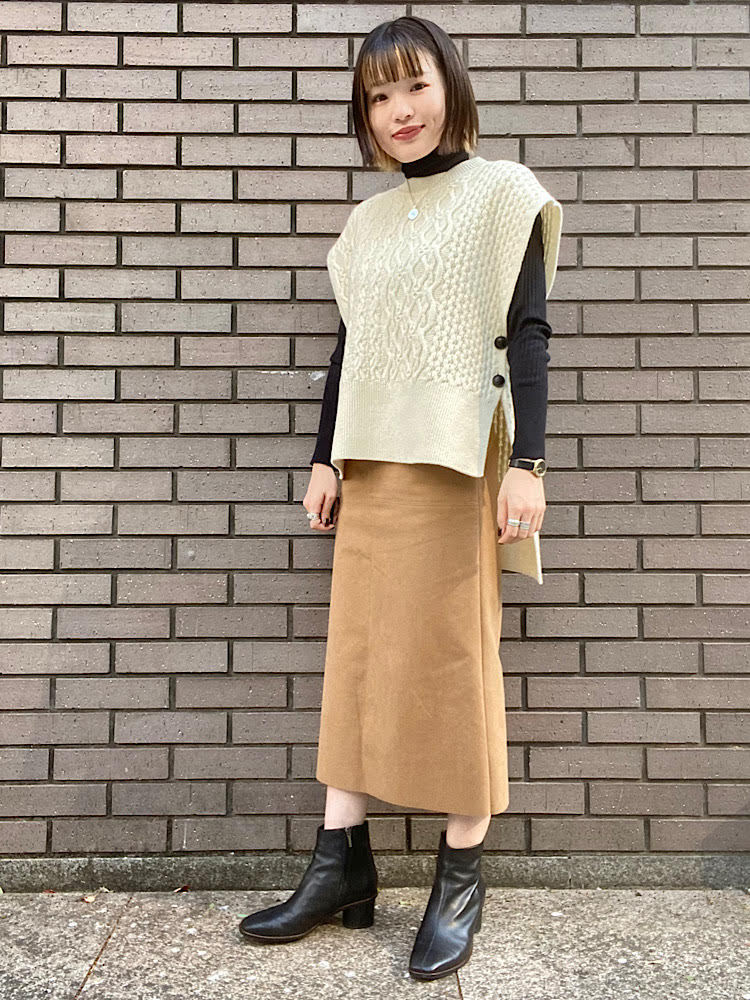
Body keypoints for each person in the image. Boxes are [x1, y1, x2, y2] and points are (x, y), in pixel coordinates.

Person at [239, 15, 563, 982]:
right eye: (379, 96)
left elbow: (529, 331)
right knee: (358, 657)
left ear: (449, 85)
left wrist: (530, 464)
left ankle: (460, 875)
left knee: (456, 659)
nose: (400, 110)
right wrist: (326, 459)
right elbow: (353, 345)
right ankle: (340, 861)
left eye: (414, 85)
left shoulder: (504, 193)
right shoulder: (366, 225)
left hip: (460, 463)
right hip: (372, 464)